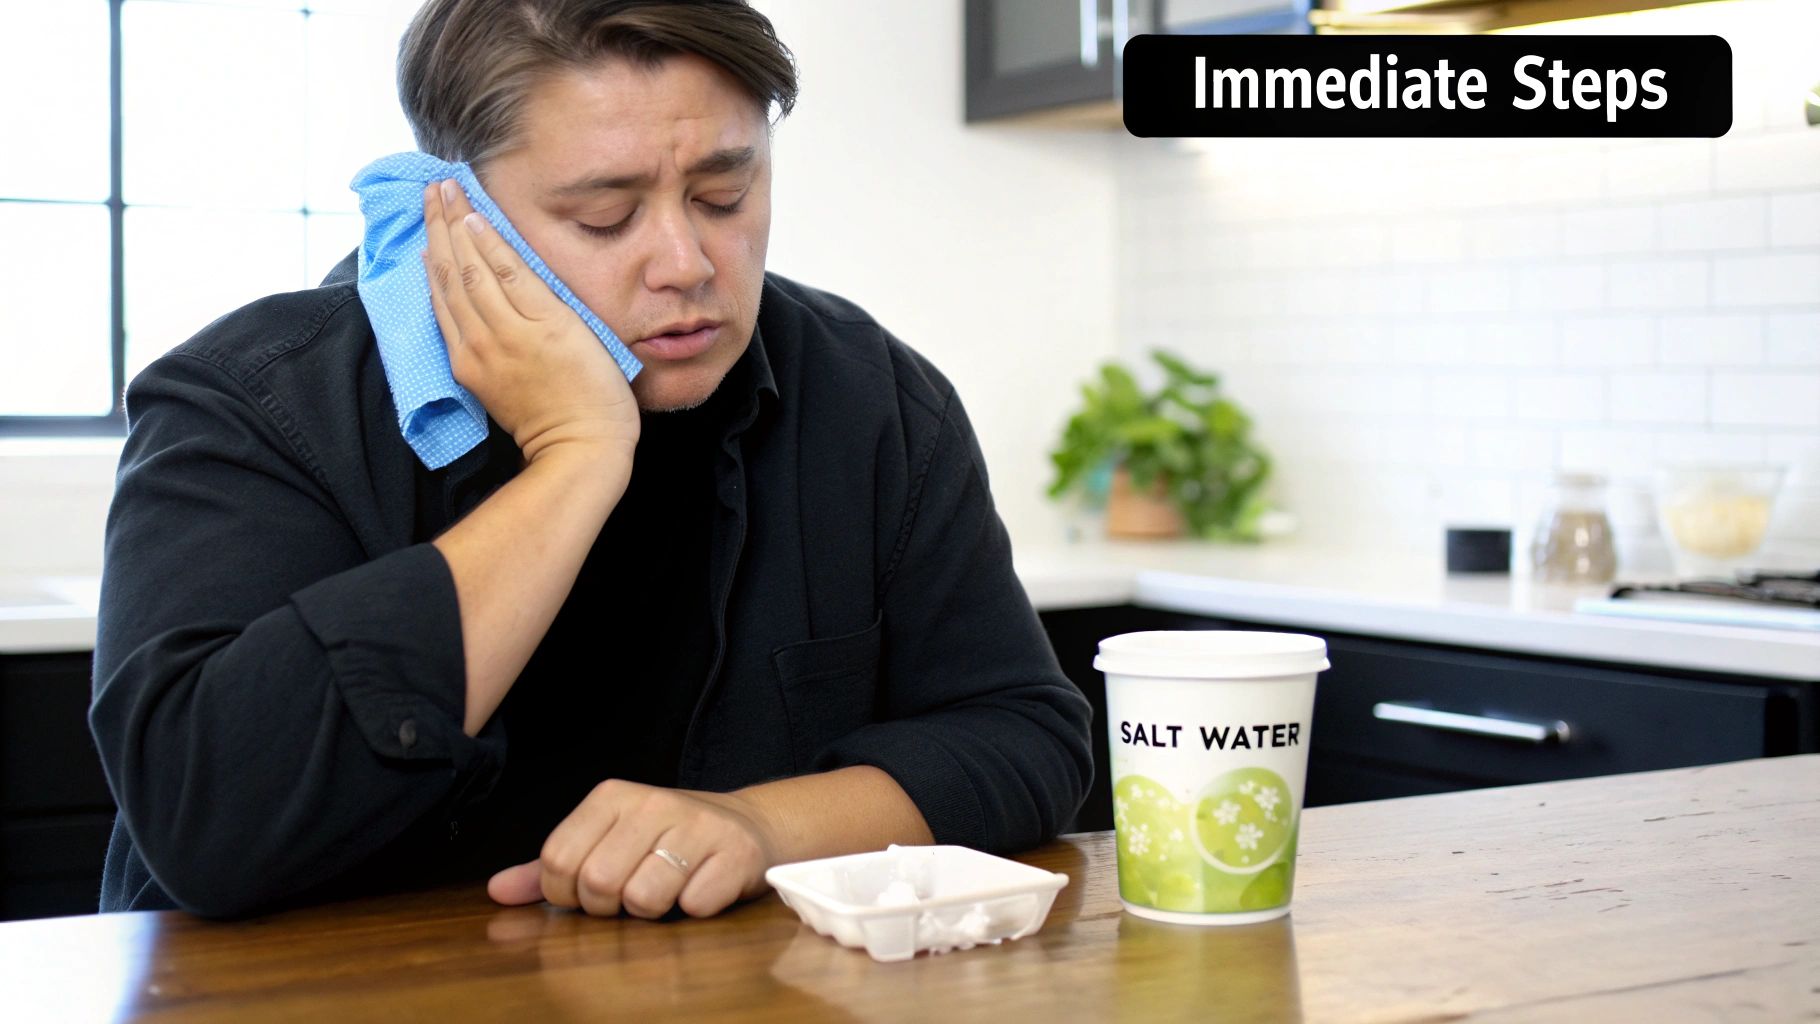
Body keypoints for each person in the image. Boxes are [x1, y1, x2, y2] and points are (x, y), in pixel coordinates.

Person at [88, 0, 1092, 920]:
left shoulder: (869, 396)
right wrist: (577, 458)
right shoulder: (252, 401)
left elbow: (1024, 735)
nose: (685, 264)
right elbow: (207, 822)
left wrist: (762, 828)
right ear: (457, 211)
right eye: (604, 216)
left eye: (722, 194)